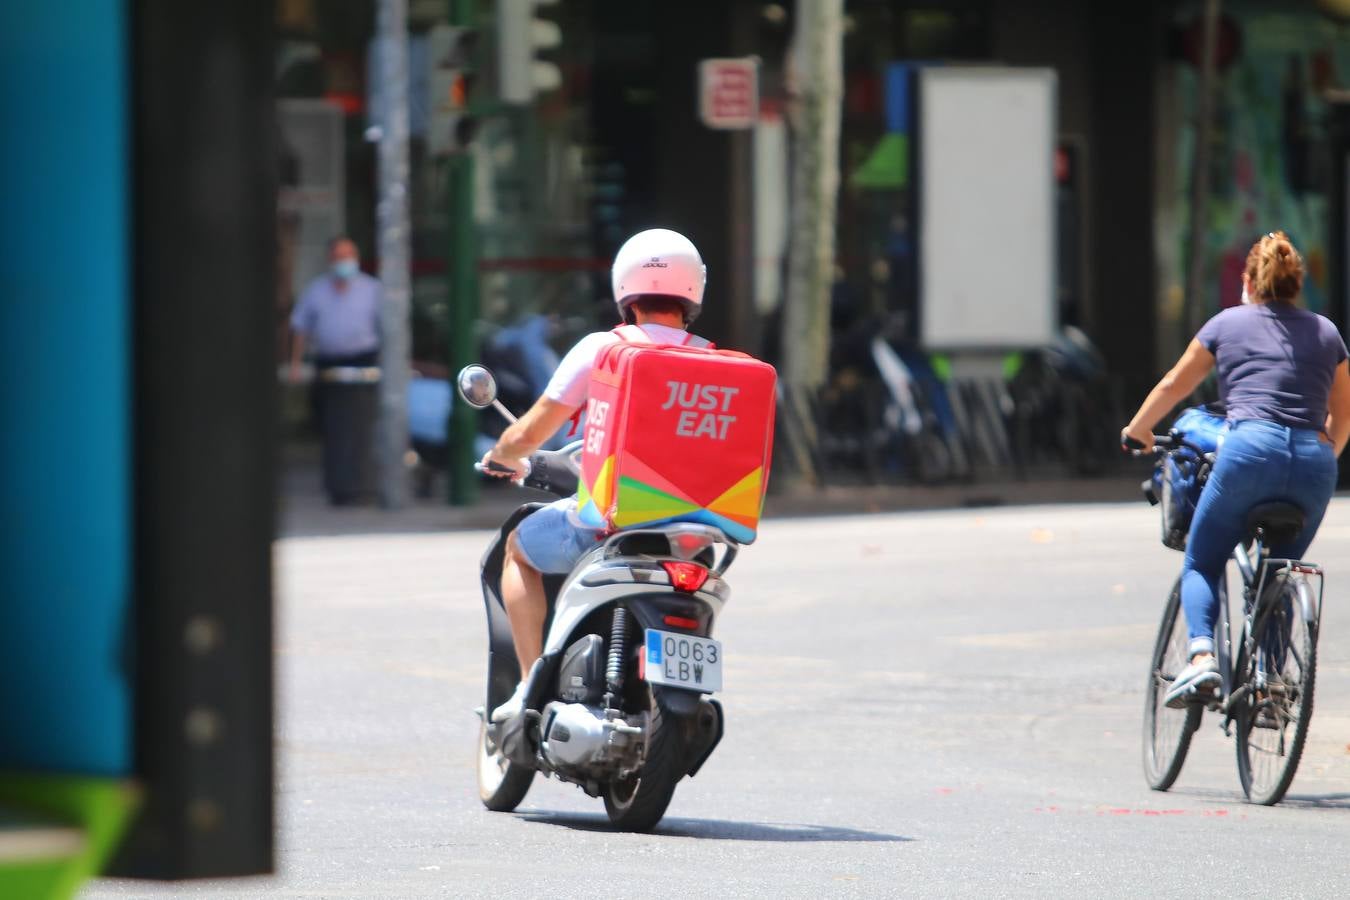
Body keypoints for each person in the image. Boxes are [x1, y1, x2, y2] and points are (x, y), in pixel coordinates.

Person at [480, 228, 713, 721]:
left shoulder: (601, 350)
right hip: (696, 535)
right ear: (694, 291)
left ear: (624, 288)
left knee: (519, 546)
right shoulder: (712, 361)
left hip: (610, 523)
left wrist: (503, 452)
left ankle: (527, 688)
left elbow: (531, 432)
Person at [1122, 231, 1350, 704]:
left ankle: (1202, 658)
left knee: (1202, 561)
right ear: (1296, 284)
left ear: (1248, 281)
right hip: (1314, 463)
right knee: (1279, 570)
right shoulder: (1327, 332)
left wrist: (1138, 430)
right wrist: (1322, 457)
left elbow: (1173, 386)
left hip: (1248, 452)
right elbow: (1343, 417)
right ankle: (1270, 682)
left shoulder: (1227, 324)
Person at [289, 236, 385, 505]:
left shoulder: (371, 289)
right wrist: (296, 365)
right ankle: (338, 487)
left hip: (364, 363)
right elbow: (300, 327)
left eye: (348, 255)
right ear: (330, 260)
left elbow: (388, 328)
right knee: (334, 429)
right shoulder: (317, 290)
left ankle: (363, 485)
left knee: (362, 429)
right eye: (339, 256)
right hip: (329, 366)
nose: (344, 262)